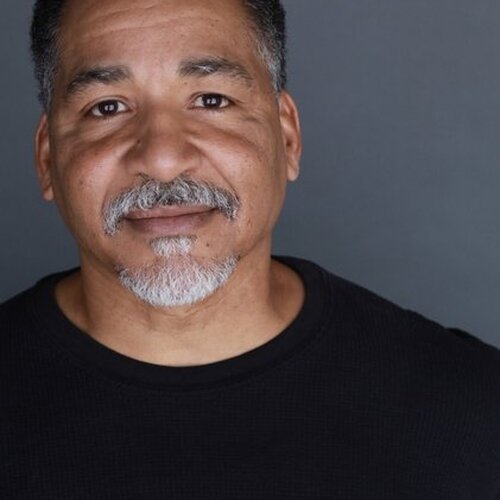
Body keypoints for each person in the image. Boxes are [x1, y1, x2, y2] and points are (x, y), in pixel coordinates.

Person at [1, 0, 499, 498]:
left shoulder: (473, 413)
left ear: (288, 136)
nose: (163, 159)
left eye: (211, 100)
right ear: (47, 157)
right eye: (107, 107)